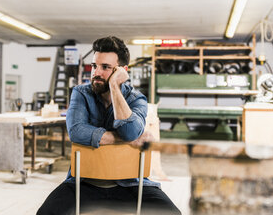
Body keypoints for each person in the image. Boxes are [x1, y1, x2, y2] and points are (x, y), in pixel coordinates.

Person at [37, 36, 181, 215]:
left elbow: (130, 130)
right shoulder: (81, 93)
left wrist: (114, 86)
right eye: (94, 66)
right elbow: (76, 132)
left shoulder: (137, 99)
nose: (96, 72)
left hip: (130, 183)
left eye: (105, 67)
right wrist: (125, 139)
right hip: (85, 182)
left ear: (122, 71)